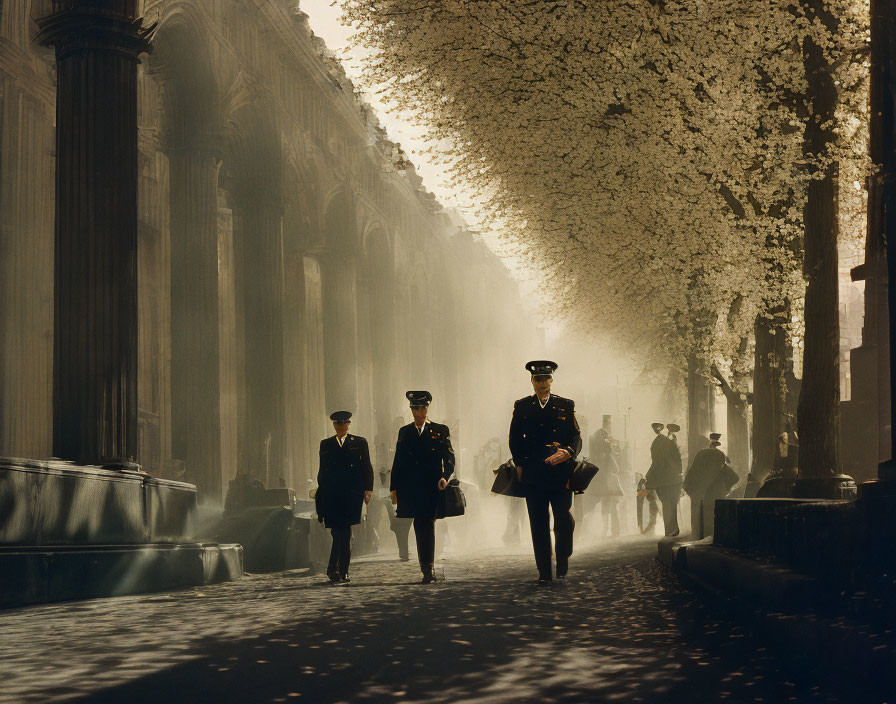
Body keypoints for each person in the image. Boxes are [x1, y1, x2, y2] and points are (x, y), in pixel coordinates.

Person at [509, 360, 582, 583]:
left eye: (546, 379)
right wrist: (520, 465)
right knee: (538, 524)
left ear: (552, 380)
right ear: (532, 382)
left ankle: (562, 558)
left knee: (563, 521)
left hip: (560, 474)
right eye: (538, 379)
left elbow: (576, 437)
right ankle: (544, 571)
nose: (543, 383)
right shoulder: (522, 407)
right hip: (533, 475)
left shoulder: (565, 405)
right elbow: (514, 439)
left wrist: (568, 452)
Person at [390, 391, 456, 584]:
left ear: (426, 409)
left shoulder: (440, 430)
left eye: (419, 408)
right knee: (420, 526)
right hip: (411, 487)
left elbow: (449, 458)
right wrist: (394, 488)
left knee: (428, 524)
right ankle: (425, 567)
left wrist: (445, 477)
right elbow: (398, 462)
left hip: (432, 486)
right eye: (413, 408)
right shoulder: (405, 432)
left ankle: (429, 568)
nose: (416, 412)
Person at [317, 411, 374, 583]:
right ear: (334, 425)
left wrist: (368, 489)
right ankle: (338, 570)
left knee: (344, 532)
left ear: (348, 424)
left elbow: (367, 467)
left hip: (352, 494)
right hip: (332, 494)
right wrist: (322, 491)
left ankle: (339, 570)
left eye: (344, 424)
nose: (341, 427)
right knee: (339, 533)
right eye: (337, 424)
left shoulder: (359, 442)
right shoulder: (326, 444)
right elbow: (323, 469)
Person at [683, 432, 739, 538]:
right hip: (717, 493)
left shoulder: (700, 455)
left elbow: (691, 474)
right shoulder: (720, 457)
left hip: (700, 494)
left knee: (700, 516)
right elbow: (734, 478)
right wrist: (727, 488)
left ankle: (699, 536)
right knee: (714, 518)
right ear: (717, 445)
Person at [645, 421, 683, 537]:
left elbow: (655, 461)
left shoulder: (656, 443)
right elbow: (677, 459)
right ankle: (672, 530)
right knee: (671, 504)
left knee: (667, 504)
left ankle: (670, 530)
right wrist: (679, 473)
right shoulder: (670, 442)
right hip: (671, 479)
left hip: (659, 479)